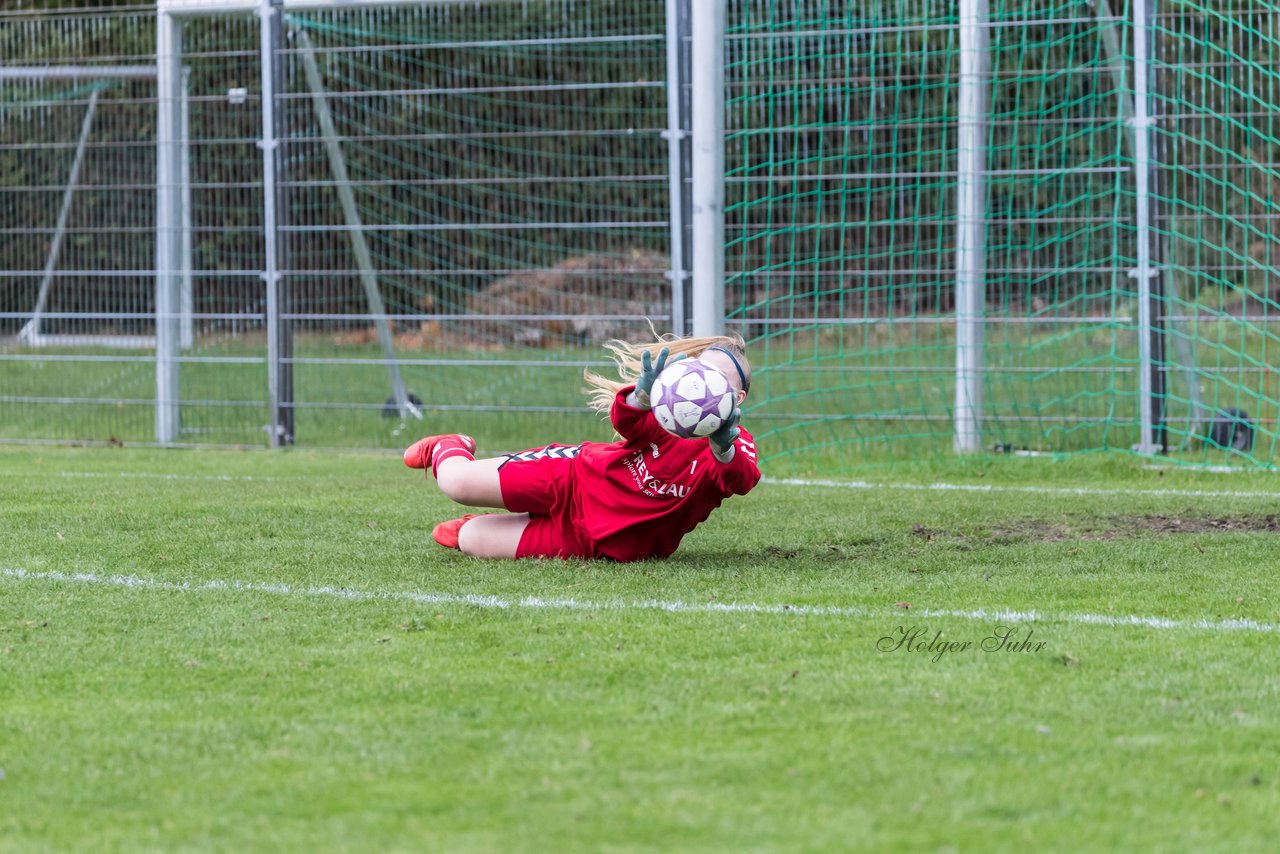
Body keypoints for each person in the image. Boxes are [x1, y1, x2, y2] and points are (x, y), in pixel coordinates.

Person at [402, 332, 761, 561]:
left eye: (717, 381)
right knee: (455, 484)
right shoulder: (666, 417)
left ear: (737, 396)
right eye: (700, 370)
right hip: (572, 477)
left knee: (470, 539)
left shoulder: (734, 444)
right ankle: (449, 446)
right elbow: (627, 422)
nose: (702, 385)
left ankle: (477, 526)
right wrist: (641, 397)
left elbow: (742, 479)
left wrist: (722, 447)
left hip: (588, 540)